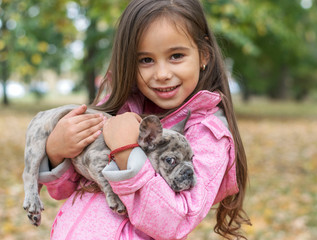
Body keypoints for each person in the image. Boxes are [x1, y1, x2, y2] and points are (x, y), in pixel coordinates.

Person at [40, 0, 251, 239]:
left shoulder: (208, 135)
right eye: (146, 60)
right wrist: (56, 152)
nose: (162, 74)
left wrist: (127, 153)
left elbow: (174, 221)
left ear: (203, 55)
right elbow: (64, 189)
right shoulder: (119, 109)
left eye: (176, 56)